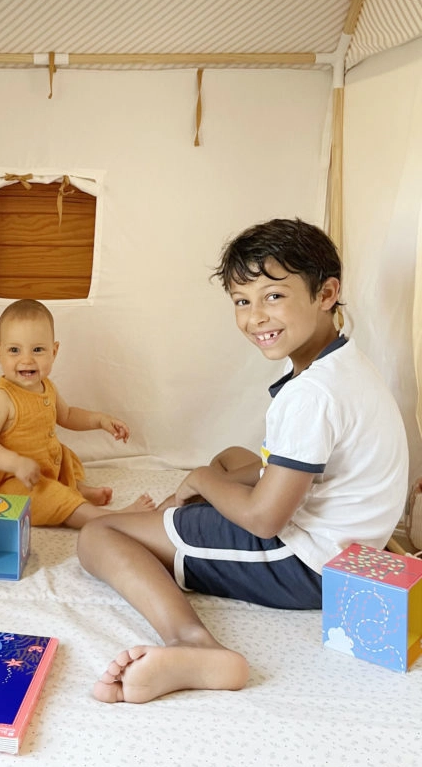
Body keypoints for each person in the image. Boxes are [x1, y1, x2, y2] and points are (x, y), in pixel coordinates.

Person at [77, 218, 409, 704]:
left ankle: (194, 644)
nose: (256, 317)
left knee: (99, 536)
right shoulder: (343, 362)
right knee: (233, 458)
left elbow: (264, 519)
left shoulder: (313, 393)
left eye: (273, 296)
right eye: (241, 301)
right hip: (349, 540)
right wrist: (214, 479)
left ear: (326, 293)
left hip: (307, 562)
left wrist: (201, 481)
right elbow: (297, 463)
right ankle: (173, 524)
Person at [0, 299, 155, 528]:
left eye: (38, 350)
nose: (26, 359)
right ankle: (110, 518)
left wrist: (100, 420)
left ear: (54, 351)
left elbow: (68, 415)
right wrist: (16, 463)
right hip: (6, 478)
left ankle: (78, 490)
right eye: (14, 350)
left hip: (41, 465)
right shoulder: (2, 398)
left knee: (66, 458)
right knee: (47, 496)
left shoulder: (47, 386)